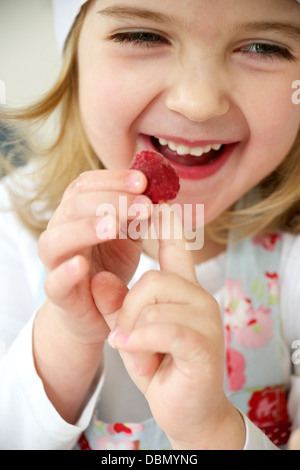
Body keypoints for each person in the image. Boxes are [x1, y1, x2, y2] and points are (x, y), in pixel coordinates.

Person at [1, 0, 300, 450]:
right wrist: (66, 337)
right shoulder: (11, 228)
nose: (198, 103)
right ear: (75, 62)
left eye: (263, 46)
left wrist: (210, 430)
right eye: (143, 36)